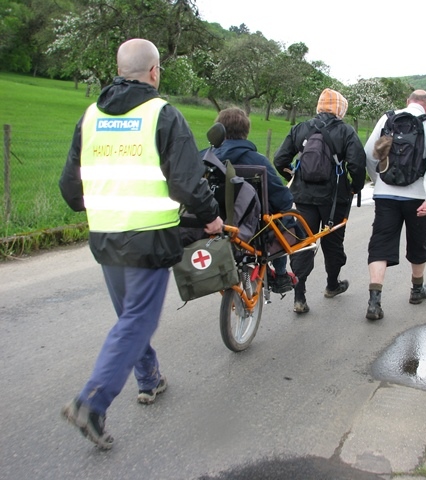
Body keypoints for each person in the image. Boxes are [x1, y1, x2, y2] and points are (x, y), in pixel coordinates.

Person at [58, 38, 223, 449]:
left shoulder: (91, 115)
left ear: (119, 69)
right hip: (147, 237)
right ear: (154, 72)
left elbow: (69, 186)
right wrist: (212, 217)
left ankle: (149, 378)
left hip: (105, 235)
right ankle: (91, 403)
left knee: (129, 318)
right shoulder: (162, 115)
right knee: (138, 321)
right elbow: (188, 182)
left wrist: (95, 204)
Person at [274, 88, 366, 314]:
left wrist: (293, 177)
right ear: (340, 109)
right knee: (333, 242)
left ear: (319, 106)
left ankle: (299, 297)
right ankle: (332, 285)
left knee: (303, 242)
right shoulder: (346, 132)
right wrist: (355, 187)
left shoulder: (301, 128)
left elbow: (280, 159)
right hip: (335, 199)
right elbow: (357, 164)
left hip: (304, 197)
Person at [363, 90, 426, 321]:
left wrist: (379, 180)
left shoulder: (387, 118)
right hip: (418, 196)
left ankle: (374, 302)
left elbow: (369, 154)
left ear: (407, 102)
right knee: (418, 243)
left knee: (380, 244)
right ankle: (417, 290)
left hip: (385, 195)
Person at [210, 107, 295, 293]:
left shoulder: (207, 158)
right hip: (256, 230)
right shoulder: (257, 160)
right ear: (246, 132)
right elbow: (280, 195)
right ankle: (281, 274)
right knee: (280, 217)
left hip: (215, 224)